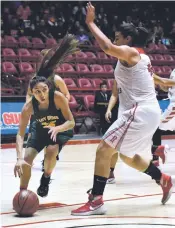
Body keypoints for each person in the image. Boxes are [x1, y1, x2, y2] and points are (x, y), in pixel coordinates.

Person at [71, 3, 174, 216]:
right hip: (148, 112)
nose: (115, 40)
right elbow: (154, 79)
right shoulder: (144, 58)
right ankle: (162, 178)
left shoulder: (130, 52)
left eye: (118, 37)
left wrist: (90, 22)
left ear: (127, 40)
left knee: (103, 149)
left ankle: (96, 200)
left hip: (139, 111)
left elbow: (107, 47)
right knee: (126, 156)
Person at [14, 35, 79, 197]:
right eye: (37, 92)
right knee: (27, 158)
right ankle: (23, 193)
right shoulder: (31, 99)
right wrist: (19, 158)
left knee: (51, 150)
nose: (41, 94)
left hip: (60, 124)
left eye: (43, 90)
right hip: (40, 126)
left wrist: (58, 120)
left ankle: (46, 178)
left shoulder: (57, 87)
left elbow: (71, 118)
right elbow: (20, 133)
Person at [107, 73, 175, 183]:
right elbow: (114, 95)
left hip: (137, 112)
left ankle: (157, 161)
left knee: (115, 146)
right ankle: (157, 153)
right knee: (120, 147)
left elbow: (162, 82)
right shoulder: (119, 77)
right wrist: (109, 109)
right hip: (124, 112)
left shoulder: (140, 73)